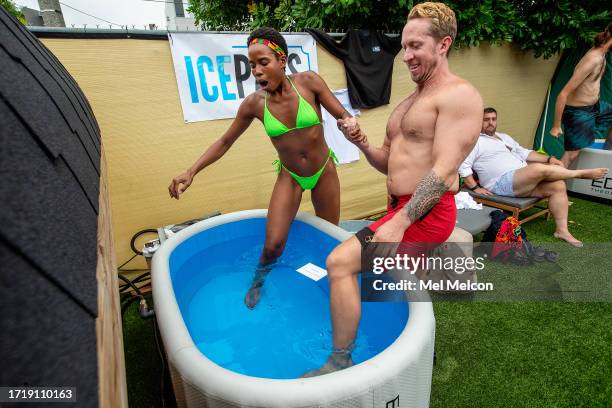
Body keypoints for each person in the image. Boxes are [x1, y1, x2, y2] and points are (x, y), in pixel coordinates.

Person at [303, 2, 483, 377]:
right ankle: (419, 348)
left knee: (340, 263)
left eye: (416, 45)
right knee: (402, 283)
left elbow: (444, 169)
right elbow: (389, 161)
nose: (407, 55)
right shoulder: (409, 102)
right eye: (404, 46)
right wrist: (362, 143)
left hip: (427, 210)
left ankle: (340, 361)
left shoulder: (458, 96)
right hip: (403, 206)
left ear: (443, 44)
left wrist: (400, 221)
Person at [168, 27, 358, 309]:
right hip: (290, 177)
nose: (256, 70)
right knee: (272, 245)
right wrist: (191, 170)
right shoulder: (255, 105)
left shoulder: (309, 82)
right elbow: (224, 141)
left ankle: (325, 285)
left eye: (263, 62)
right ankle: (258, 281)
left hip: (324, 172)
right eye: (252, 65)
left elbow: (341, 114)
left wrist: (349, 123)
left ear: (282, 60)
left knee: (326, 238)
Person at [460, 107, 608, 247]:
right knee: (537, 168)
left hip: (522, 178)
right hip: (500, 182)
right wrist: (475, 187)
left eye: (493, 119)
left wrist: (549, 159)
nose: (491, 122)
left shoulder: (503, 137)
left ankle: (562, 231)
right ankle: (579, 174)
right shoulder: (474, 141)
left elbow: (524, 152)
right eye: (486, 119)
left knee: (558, 186)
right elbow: (463, 164)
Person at [550, 23, 612, 166]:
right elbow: (562, 94)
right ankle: (550, 185)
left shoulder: (603, 53)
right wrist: (556, 125)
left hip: (594, 107)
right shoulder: (593, 58)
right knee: (571, 155)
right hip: (578, 113)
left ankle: (608, 154)